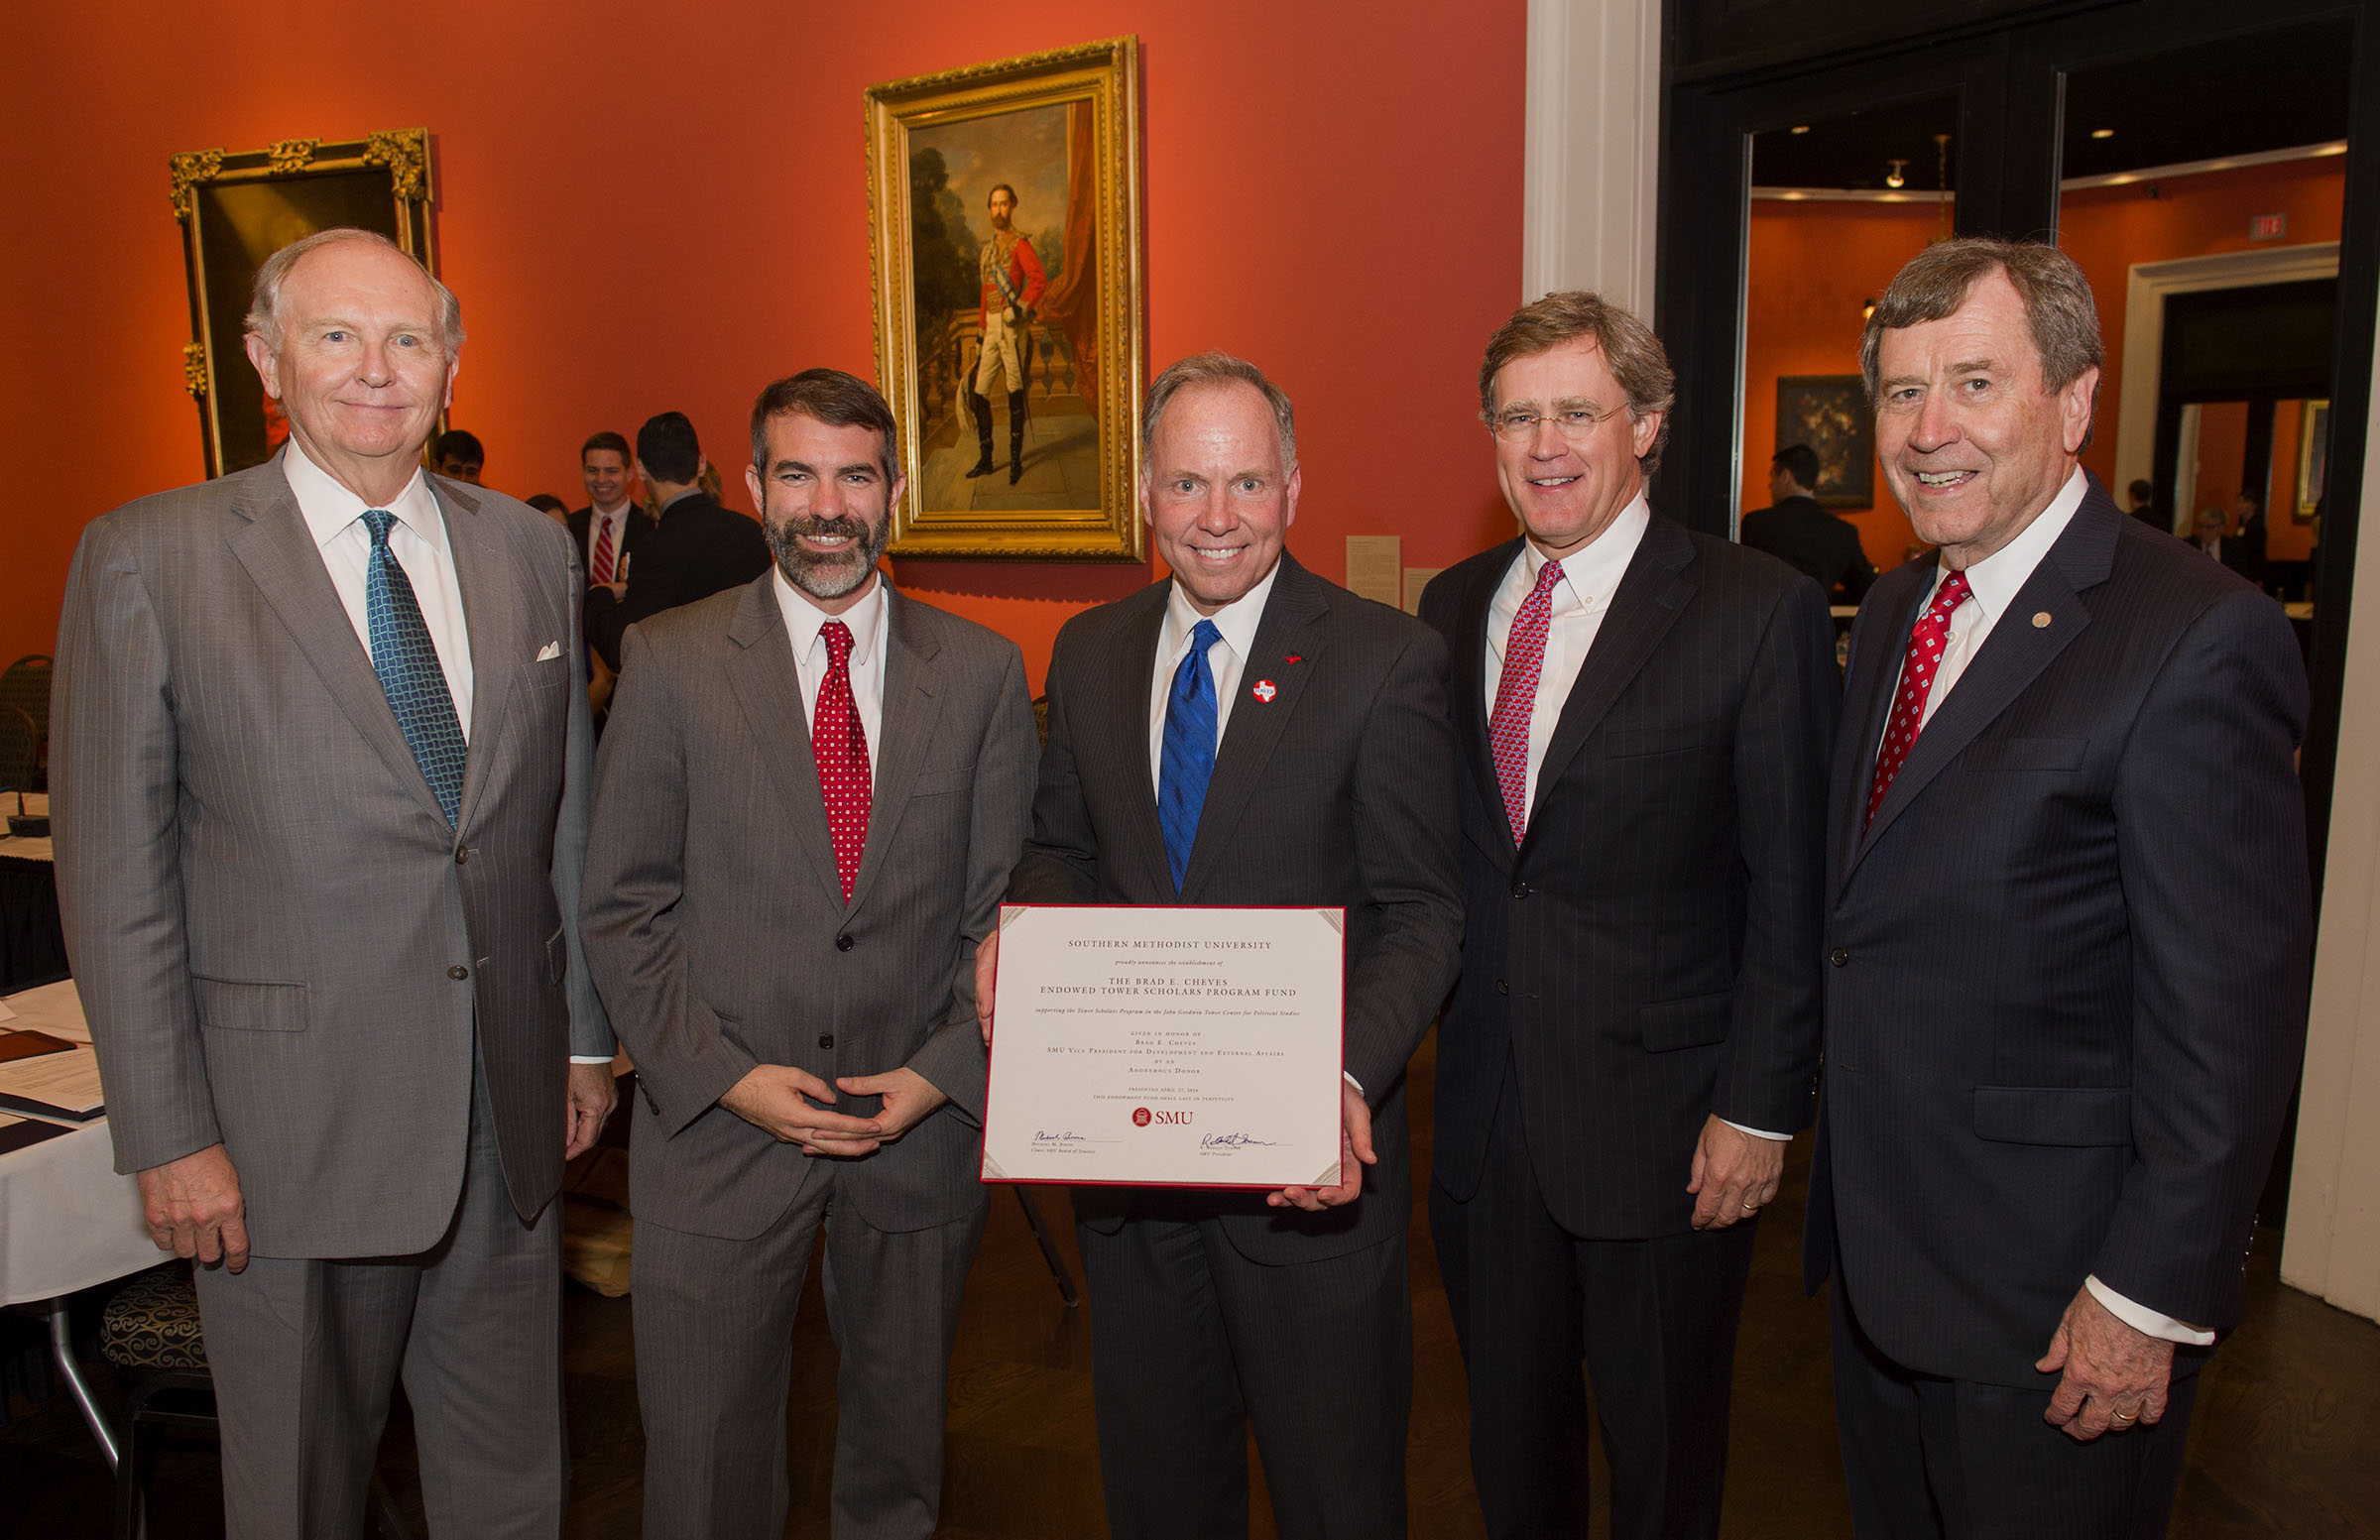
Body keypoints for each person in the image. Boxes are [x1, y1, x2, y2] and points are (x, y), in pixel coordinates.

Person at [51, 227, 616, 1538]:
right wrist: (172, 1132)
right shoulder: (151, 558)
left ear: (454, 367)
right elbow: (118, 877)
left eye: (409, 339)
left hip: (506, 1113)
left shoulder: (526, 554)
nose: (378, 370)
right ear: (264, 357)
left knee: (507, 1485)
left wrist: (585, 1042)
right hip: (282, 1135)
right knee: (302, 1492)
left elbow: (559, 826)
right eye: (336, 335)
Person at [1809, 237, 2311, 1538]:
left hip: (2055, 1301)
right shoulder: (1904, 618)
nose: (1929, 431)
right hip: (1886, 1265)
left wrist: (2147, 1295)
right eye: (1904, 393)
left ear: (2075, 401)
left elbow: (2230, 1019)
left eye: (1975, 383)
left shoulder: (2193, 635)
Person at [977, 352, 1462, 1538]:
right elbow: (1061, 848)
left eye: (1247, 482)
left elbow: (1424, 909)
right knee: (1159, 1490)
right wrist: (1023, 939)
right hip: (1132, 1181)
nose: (1218, 518)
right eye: (1189, 485)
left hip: (1308, 1182)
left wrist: (1340, 1078)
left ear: (1295, 483)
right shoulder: (1090, 651)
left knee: (1335, 1493)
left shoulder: (1382, 659)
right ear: (1146, 491)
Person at [581, 368, 1035, 1539]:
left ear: (897, 491)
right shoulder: (671, 661)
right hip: (719, 1125)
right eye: (798, 472)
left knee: (899, 1469)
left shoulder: (981, 673)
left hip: (917, 1129)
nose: (826, 503)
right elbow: (624, 904)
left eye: (854, 473)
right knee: (704, 1472)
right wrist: (730, 1076)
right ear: (753, 485)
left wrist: (936, 1075)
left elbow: (1004, 915)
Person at [1418, 293, 1837, 1540]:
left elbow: (1793, 885)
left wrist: (1759, 1107)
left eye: (1578, 412)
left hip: (1670, 1134)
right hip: (1489, 1126)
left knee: (1663, 1460)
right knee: (1510, 1452)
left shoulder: (1757, 607)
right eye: (1518, 415)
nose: (1545, 444)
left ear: (1647, 424)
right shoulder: (1450, 606)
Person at [584, 411, 771, 671]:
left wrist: (599, 595)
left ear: (639, 469)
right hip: (752, 678)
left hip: (693, 693)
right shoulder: (751, 531)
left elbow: (621, 649)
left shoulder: (656, 547)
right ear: (701, 463)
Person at [964, 182, 1047, 486]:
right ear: (990, 210)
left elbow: (1038, 280)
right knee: (979, 391)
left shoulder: (1020, 245)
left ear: (1012, 207)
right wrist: (981, 331)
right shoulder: (987, 251)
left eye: (1003, 204)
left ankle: (1015, 460)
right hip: (991, 326)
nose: (998, 210)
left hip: (1012, 327)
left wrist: (1022, 307)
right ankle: (986, 459)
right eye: (994, 204)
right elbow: (986, 293)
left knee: (1014, 389)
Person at [1739, 441, 1877, 602]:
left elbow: (1742, 582)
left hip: (1764, 623)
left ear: (1785, 476)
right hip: (1815, 623)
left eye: (1772, 476)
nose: (1770, 485)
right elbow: (1867, 588)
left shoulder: (1756, 524)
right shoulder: (1843, 532)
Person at [568, 429, 652, 593]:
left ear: (629, 474)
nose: (601, 479)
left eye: (611, 471)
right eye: (592, 470)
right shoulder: (569, 527)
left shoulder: (651, 526)